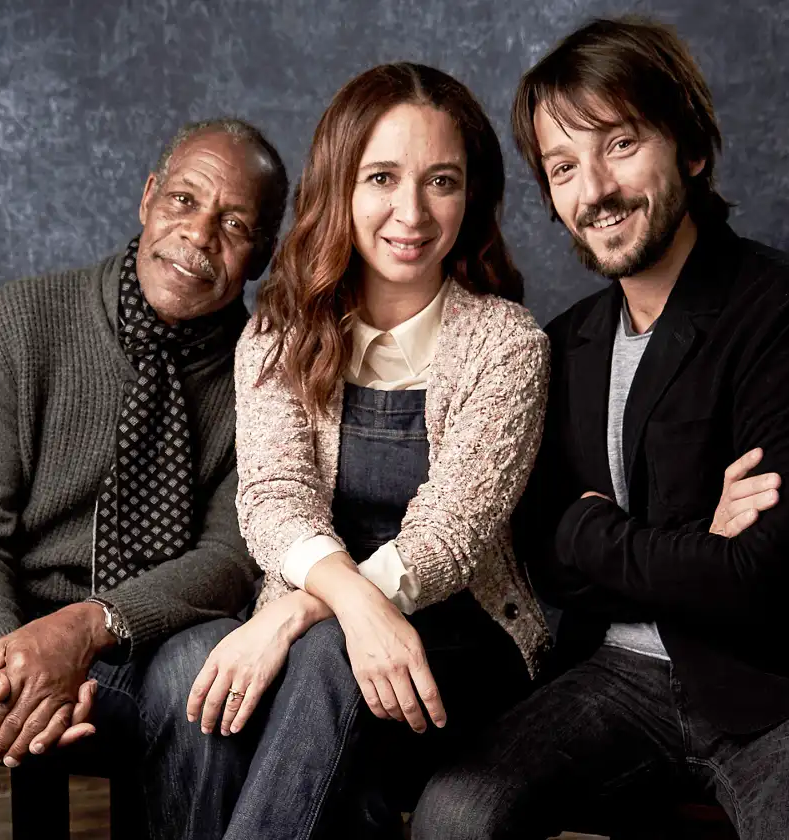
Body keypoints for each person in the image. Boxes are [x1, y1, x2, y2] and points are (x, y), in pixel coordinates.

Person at [413, 17, 789, 840]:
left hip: (784, 694)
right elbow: (548, 562)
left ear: (691, 148)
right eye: (564, 166)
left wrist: (595, 530)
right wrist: (695, 544)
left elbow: (763, 577)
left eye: (621, 144)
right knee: (453, 815)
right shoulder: (561, 345)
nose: (594, 190)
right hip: (613, 675)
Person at [185, 62, 551, 839]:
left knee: (321, 657)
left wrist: (302, 613)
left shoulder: (507, 345)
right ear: (339, 187)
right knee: (240, 700)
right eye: (382, 177)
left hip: (466, 641)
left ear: (471, 197)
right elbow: (274, 499)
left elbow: (451, 536)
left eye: (441, 182)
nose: (411, 212)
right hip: (330, 644)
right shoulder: (278, 334)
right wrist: (350, 607)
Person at [0, 117, 289, 840]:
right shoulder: (20, 320)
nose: (199, 235)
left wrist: (89, 627)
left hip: (155, 630)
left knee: (210, 689)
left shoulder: (268, 371)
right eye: (183, 200)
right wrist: (15, 665)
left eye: (234, 225)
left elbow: (230, 559)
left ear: (262, 253)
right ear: (148, 198)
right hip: (3, 608)